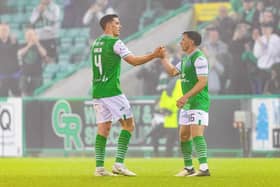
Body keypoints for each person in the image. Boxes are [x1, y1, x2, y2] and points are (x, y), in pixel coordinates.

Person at [91, 14, 163, 176]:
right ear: (108, 25)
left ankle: (99, 168)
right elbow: (134, 61)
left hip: (97, 91)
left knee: (103, 129)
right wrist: (154, 55)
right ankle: (119, 164)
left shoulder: (96, 43)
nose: (120, 26)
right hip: (112, 91)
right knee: (129, 125)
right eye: (117, 23)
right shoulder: (115, 43)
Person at [160, 31, 210, 177]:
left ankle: (204, 168)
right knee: (183, 136)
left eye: (183, 40)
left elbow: (203, 81)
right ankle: (189, 168)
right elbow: (172, 72)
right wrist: (163, 58)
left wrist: (185, 96)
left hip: (198, 102)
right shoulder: (186, 59)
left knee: (196, 134)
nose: (180, 42)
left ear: (192, 42)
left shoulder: (199, 59)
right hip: (188, 104)